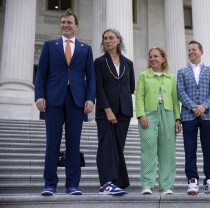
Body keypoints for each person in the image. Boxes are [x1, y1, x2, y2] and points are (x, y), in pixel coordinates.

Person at [35, 9, 96, 196]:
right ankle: (50, 184)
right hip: (53, 100)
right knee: (52, 143)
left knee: (73, 144)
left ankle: (72, 185)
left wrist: (90, 99)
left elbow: (91, 78)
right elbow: (41, 74)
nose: (66, 25)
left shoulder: (86, 49)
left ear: (76, 26)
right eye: (63, 23)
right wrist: (39, 96)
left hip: (76, 101)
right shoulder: (49, 46)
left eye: (69, 22)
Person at [177, 40, 210, 195]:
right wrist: (194, 107)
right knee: (190, 149)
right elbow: (180, 92)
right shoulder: (182, 72)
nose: (191, 52)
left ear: (201, 52)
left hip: (208, 115)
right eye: (189, 50)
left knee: (209, 150)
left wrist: (204, 106)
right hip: (188, 116)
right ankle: (192, 181)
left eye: (194, 49)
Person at [94, 28, 135, 195]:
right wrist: (108, 110)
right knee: (106, 146)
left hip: (124, 111)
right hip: (105, 111)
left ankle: (118, 182)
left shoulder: (128, 63)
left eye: (111, 38)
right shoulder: (99, 62)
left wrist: (122, 102)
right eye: (105, 38)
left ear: (119, 40)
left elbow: (130, 87)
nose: (107, 41)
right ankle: (106, 183)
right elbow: (98, 88)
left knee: (118, 147)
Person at [136, 47, 181, 195]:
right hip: (149, 113)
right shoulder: (144, 76)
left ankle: (166, 186)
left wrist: (177, 118)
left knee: (167, 151)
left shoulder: (170, 77)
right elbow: (139, 96)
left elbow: (175, 100)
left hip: (168, 114)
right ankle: (147, 184)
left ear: (163, 59)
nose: (153, 59)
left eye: (156, 56)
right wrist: (141, 115)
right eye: (150, 57)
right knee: (148, 148)